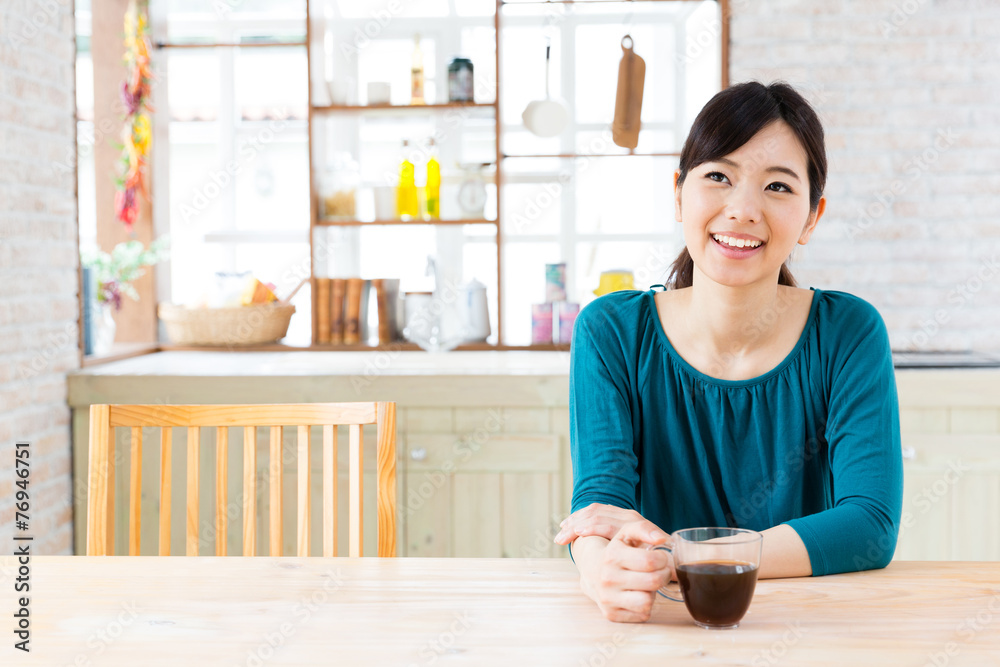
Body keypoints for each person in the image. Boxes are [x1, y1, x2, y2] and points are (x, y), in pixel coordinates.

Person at [553, 81, 903, 623]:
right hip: (658, 627)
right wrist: (599, 568)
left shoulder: (848, 332)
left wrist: (679, 556)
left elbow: (869, 524)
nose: (741, 210)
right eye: (718, 176)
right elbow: (599, 508)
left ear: (812, 217)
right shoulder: (612, 332)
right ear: (678, 194)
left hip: (807, 627)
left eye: (779, 187)